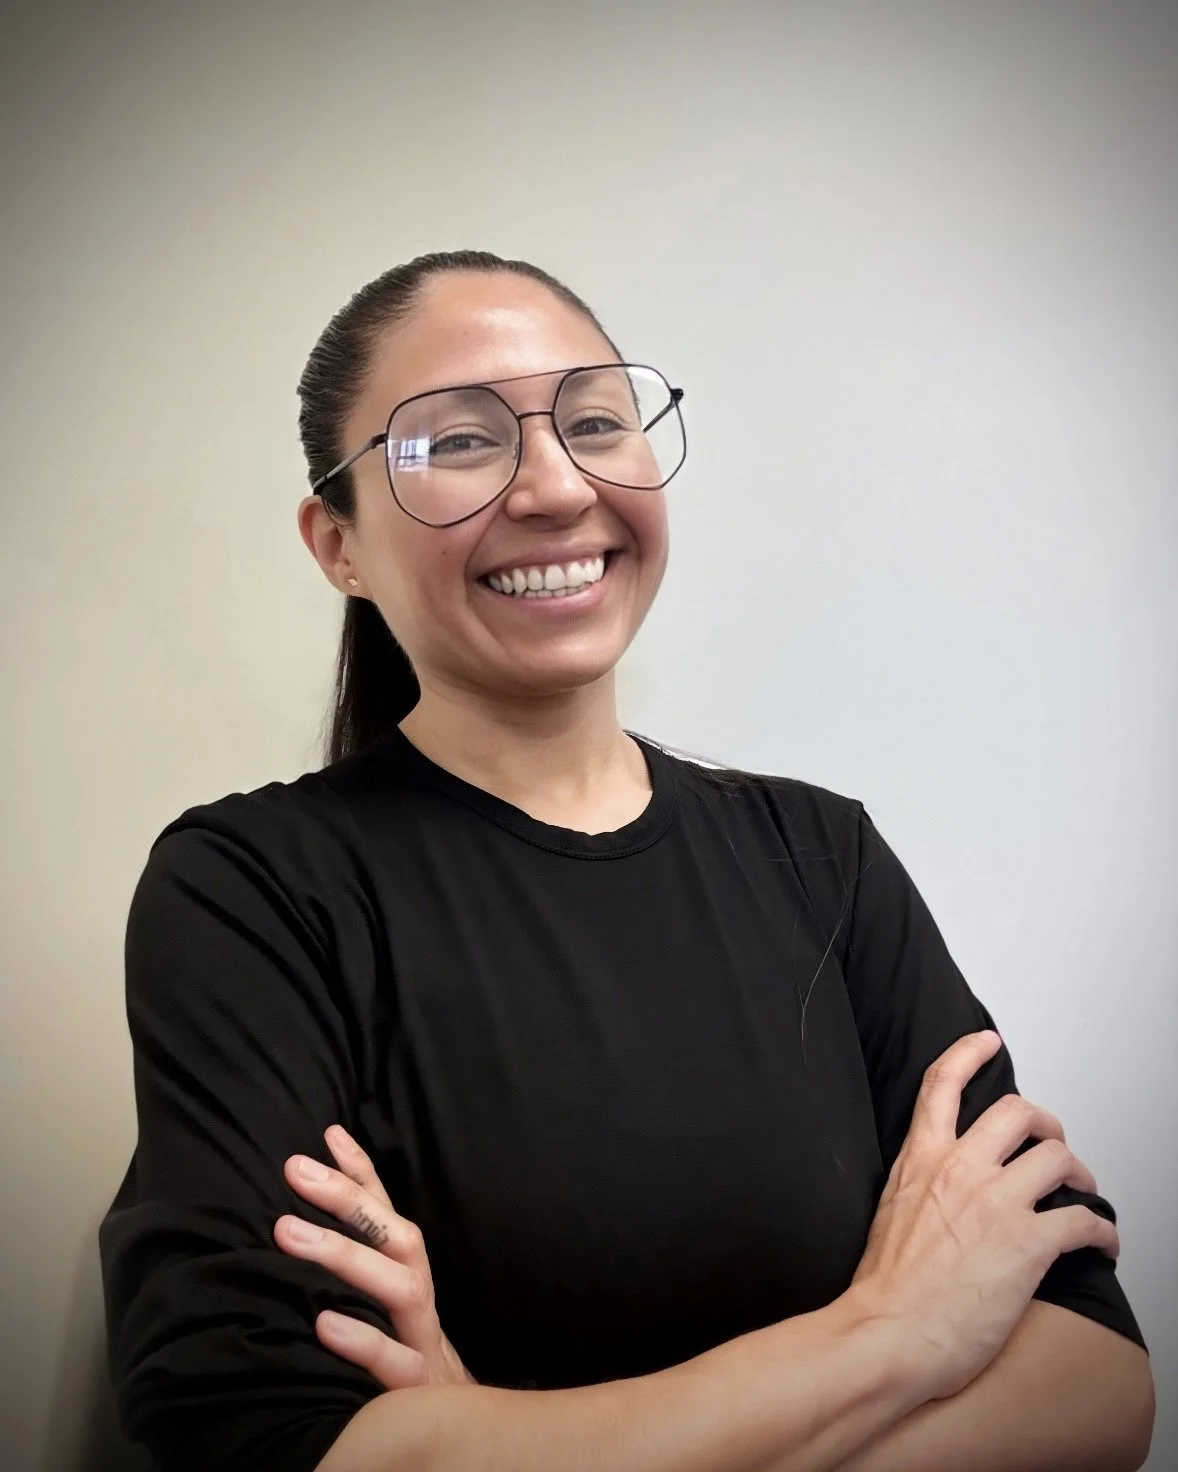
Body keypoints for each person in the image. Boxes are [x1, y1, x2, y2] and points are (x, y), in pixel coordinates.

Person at [99, 250, 1154, 1472]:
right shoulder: (253, 890)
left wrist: (500, 1434)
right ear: (335, 542)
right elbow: (268, 1438)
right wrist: (895, 1329)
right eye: (457, 442)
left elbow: (1093, 1380)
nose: (554, 485)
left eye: (594, 418)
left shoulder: (821, 856)